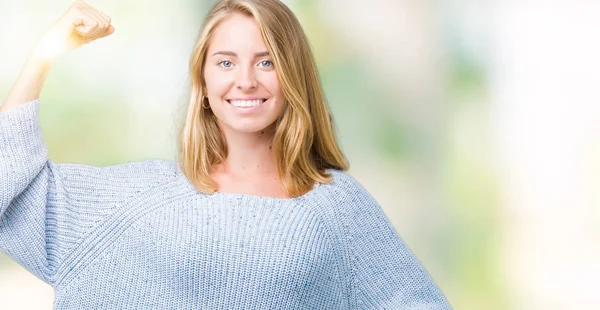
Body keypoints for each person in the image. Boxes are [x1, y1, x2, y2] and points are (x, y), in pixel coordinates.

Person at [0, 0, 452, 308]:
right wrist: (45, 52)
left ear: (293, 75)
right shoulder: (139, 200)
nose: (246, 81)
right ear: (203, 81)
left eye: (267, 60)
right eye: (226, 62)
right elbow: (13, 185)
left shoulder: (335, 207)